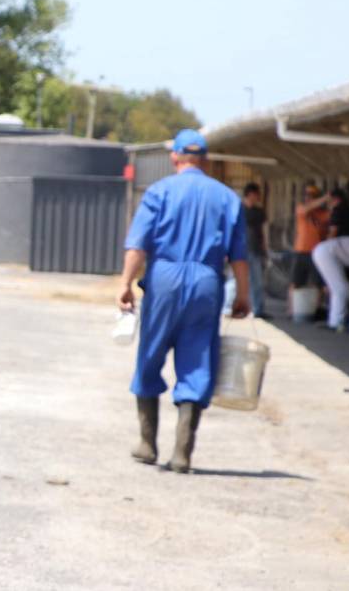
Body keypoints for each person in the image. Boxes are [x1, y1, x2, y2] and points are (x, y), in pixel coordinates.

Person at [118, 129, 249, 474]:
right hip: (207, 281)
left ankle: (147, 443)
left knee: (150, 353)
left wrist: (125, 283)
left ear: (175, 157)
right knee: (198, 360)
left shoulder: (159, 192)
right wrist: (245, 295)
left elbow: (138, 245)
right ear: (205, 160)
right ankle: (182, 453)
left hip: (164, 278)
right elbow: (239, 256)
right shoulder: (226, 198)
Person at [311, 188, 349, 332]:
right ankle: (338, 320)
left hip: (333, 248)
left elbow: (333, 232)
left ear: (335, 199)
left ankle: (336, 321)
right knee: (342, 287)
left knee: (339, 288)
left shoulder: (337, 211)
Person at [289, 183, 330, 315]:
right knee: (295, 282)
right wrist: (325, 198)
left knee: (319, 283)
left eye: (312, 196)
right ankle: (291, 309)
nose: (308, 198)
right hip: (301, 250)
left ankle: (316, 309)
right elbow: (306, 209)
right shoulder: (301, 209)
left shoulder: (323, 214)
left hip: (316, 252)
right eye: (307, 195)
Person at [242, 182, 270, 319]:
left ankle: (258, 310)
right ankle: (229, 307)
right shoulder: (239, 210)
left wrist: (265, 247)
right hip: (240, 250)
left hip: (256, 249)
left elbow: (264, 230)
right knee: (237, 279)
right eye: (255, 194)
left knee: (257, 281)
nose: (257, 197)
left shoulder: (259, 212)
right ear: (249, 194)